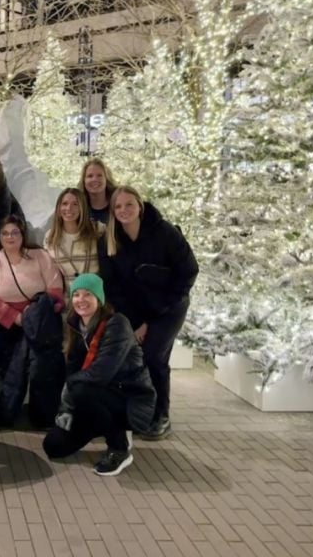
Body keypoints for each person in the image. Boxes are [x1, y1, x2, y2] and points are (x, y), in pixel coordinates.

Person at [98, 186, 198, 440]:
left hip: (169, 307)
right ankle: (142, 410)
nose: (123, 211)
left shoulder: (165, 233)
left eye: (129, 204)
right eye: (118, 206)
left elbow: (188, 271)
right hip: (135, 310)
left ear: (140, 206)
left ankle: (161, 415)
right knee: (137, 358)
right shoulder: (108, 241)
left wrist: (154, 317)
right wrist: (136, 322)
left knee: (155, 356)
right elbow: (113, 286)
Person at [42, 274, 156, 476]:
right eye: (76, 294)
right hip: (94, 398)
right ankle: (103, 424)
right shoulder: (75, 326)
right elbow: (73, 369)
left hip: (129, 397)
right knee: (53, 446)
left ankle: (119, 447)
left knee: (81, 390)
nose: (81, 300)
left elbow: (102, 373)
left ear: (99, 299)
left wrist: (69, 386)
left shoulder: (117, 324)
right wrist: (65, 411)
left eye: (88, 294)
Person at [0, 215, 65, 426]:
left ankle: (42, 417)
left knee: (40, 371)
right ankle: (6, 415)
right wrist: (16, 318)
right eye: (5, 233)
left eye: (15, 232)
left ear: (22, 234)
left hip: (39, 324)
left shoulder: (39, 256)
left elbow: (55, 290)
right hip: (7, 325)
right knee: (9, 371)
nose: (10, 237)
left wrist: (33, 315)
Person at [44, 187, 100, 292]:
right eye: (64, 204)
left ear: (82, 208)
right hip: (68, 300)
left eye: (75, 204)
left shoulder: (97, 230)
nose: (69, 208)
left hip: (94, 297)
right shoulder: (50, 237)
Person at [79, 157, 118, 226]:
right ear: (83, 181)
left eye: (99, 175)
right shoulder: (77, 206)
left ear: (106, 179)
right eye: (90, 176)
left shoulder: (118, 204)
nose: (95, 179)